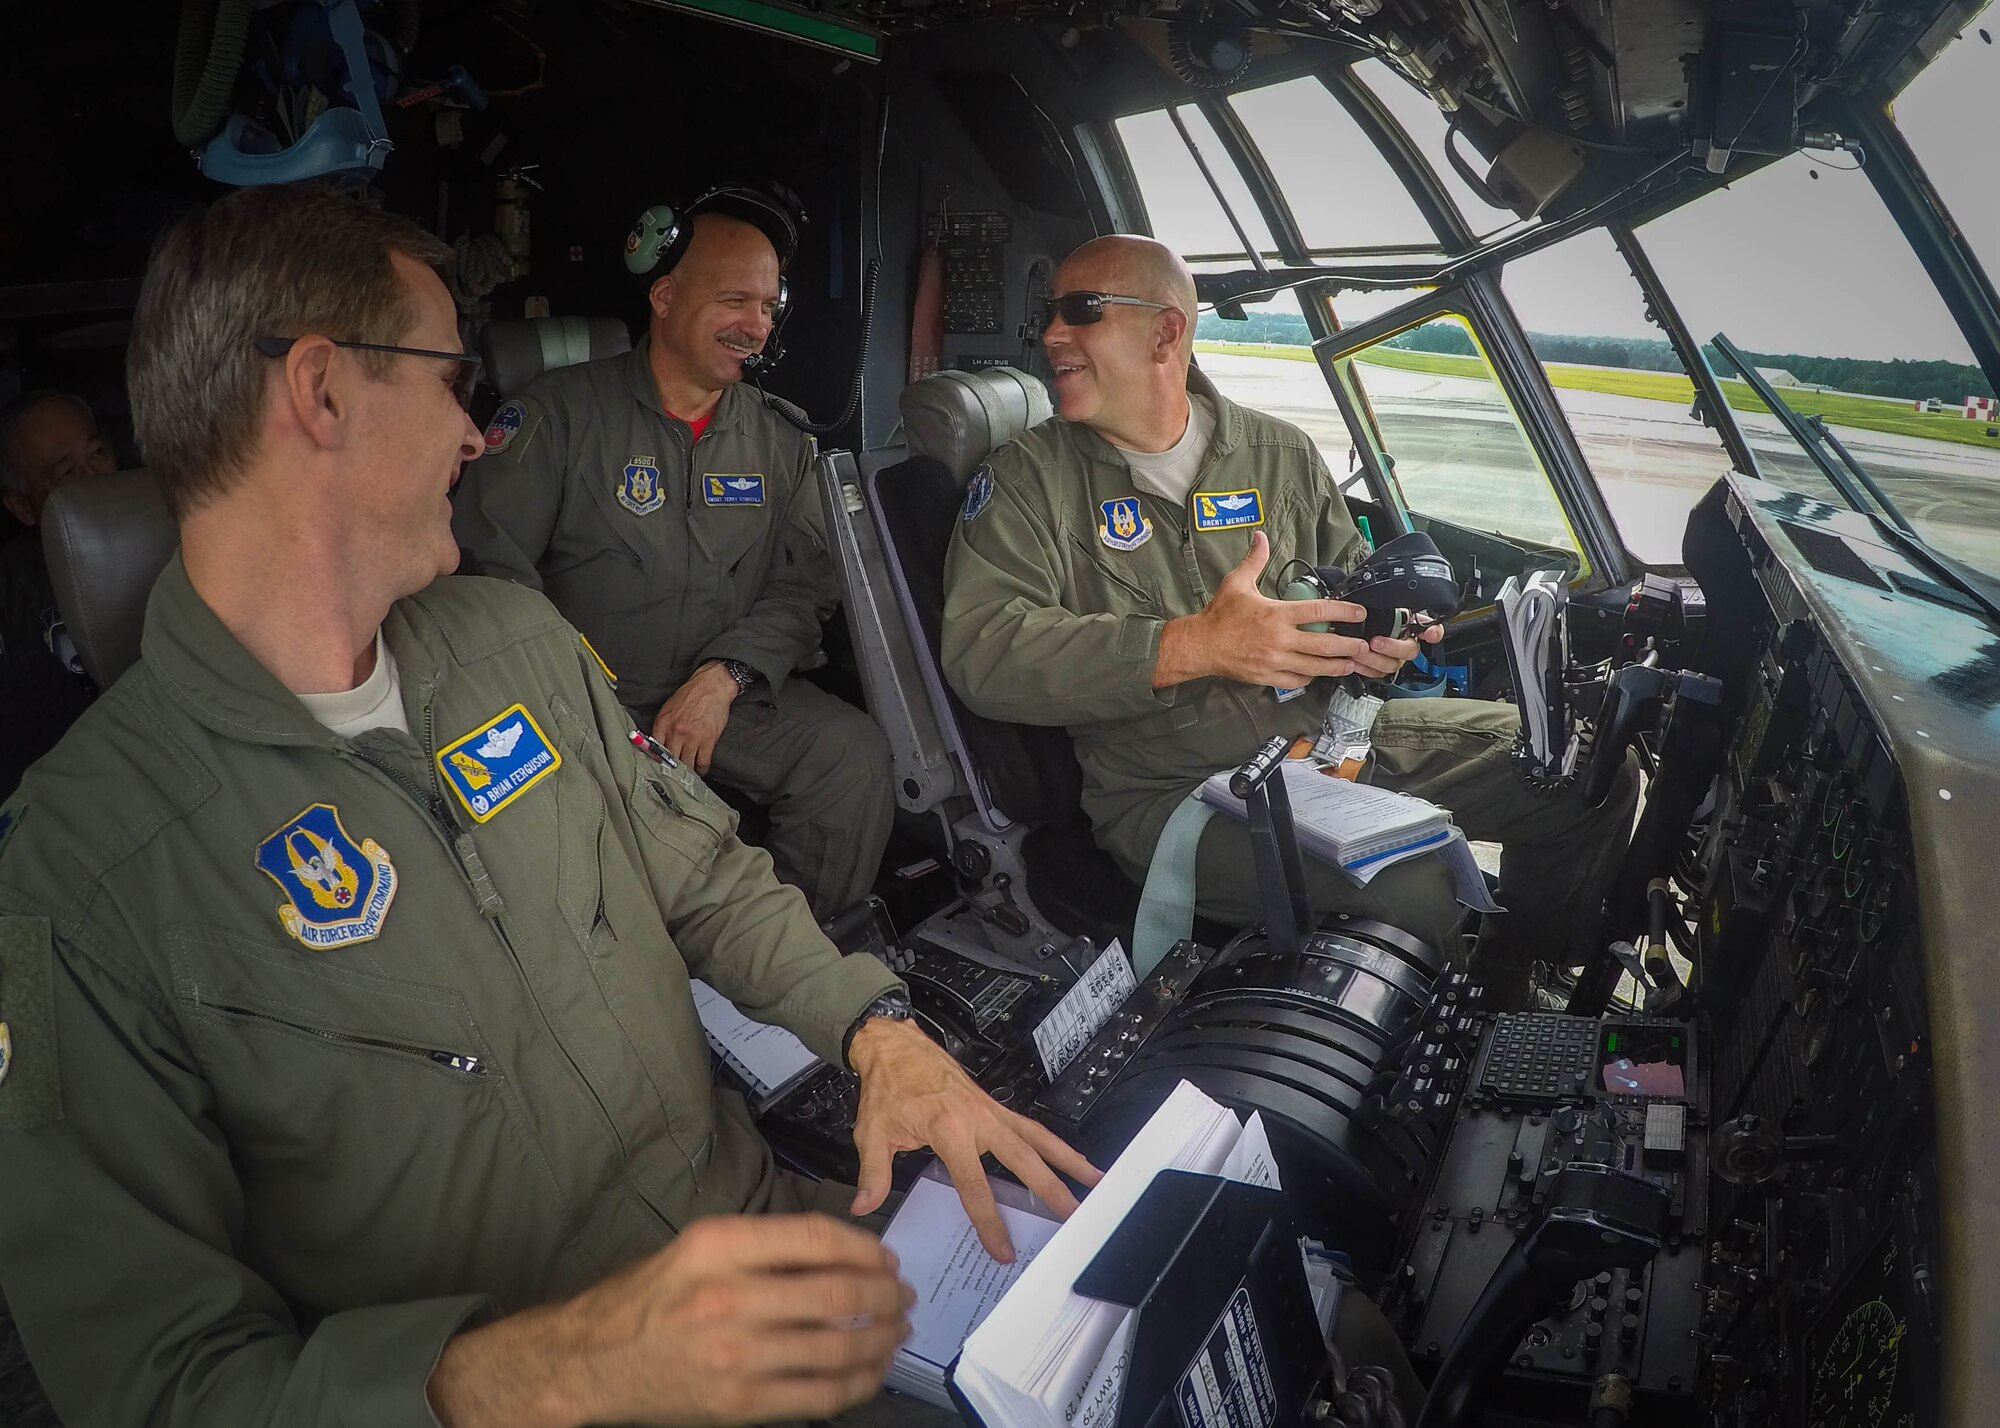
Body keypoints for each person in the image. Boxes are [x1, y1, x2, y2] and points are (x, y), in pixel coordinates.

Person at [0, 185, 1097, 1428]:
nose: (473, 438)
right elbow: (159, 1387)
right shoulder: (78, 876)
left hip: (770, 1260)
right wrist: (566, 1366)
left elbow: (700, 871)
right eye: (446, 384)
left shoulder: (511, 642)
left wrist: (875, 1030)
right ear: (320, 391)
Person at [941, 235, 1639, 1001]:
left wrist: (1384, 642)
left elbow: (1351, 592)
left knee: (1587, 766)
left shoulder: (1281, 456)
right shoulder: (1026, 483)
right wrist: (1191, 646)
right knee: (1419, 884)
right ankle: (1443, 1037)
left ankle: (1518, 981)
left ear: (1166, 332)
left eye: (1081, 312)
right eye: (1051, 314)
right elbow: (984, 653)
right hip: (1178, 792)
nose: (1051, 335)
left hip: (1332, 746)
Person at [453, 186, 893, 922]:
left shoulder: (782, 442)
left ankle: (792, 972)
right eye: (734, 302)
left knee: (850, 760)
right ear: (664, 295)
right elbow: (488, 577)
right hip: (582, 704)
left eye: (766, 307)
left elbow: (805, 588)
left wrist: (725, 678)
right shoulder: (557, 417)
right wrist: (582, 707)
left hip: (722, 698)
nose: (755, 326)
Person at [0, 389, 117, 656]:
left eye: (97, 452)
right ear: (22, 508)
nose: (94, 477)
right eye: (67, 471)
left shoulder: (167, 536)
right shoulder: (10, 590)